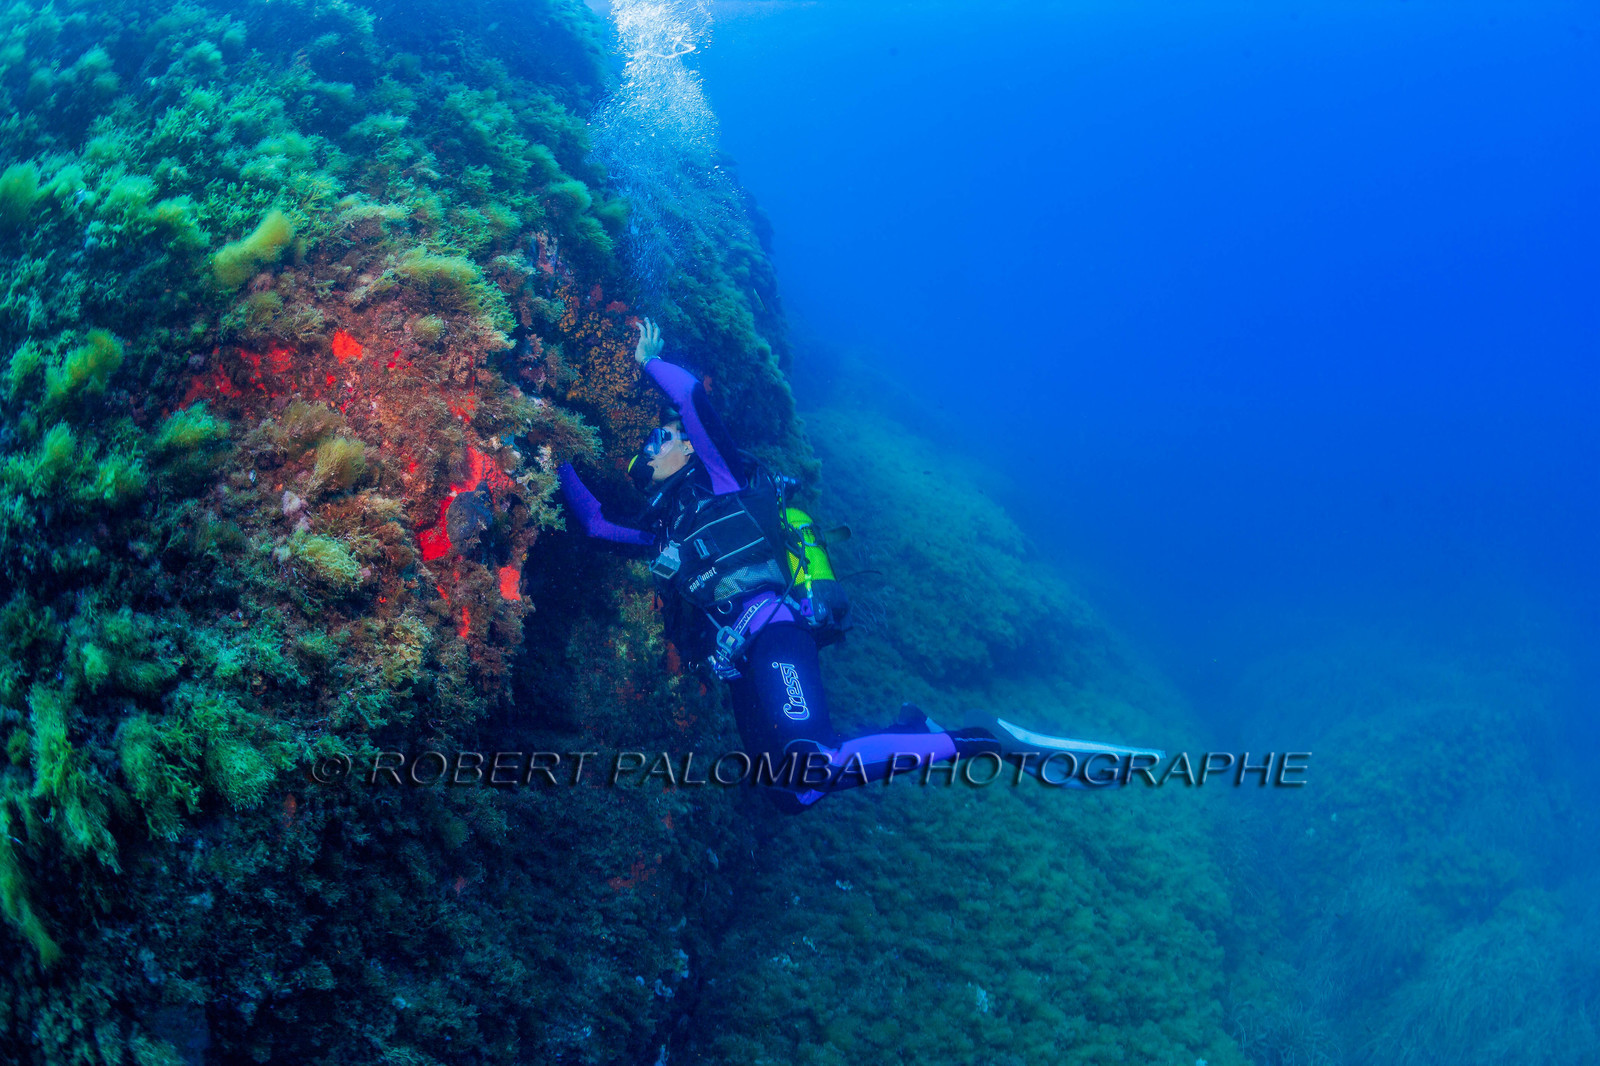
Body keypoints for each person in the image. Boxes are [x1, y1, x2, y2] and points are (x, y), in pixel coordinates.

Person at [557, 320, 1162, 811]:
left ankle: (981, 739)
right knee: (793, 790)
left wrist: (649, 364)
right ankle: (913, 729)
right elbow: (597, 525)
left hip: (775, 633)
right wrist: (550, 454)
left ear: (687, 447)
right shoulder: (665, 527)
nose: (647, 449)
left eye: (656, 440)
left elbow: (689, 399)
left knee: (811, 759)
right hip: (741, 662)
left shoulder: (723, 479)